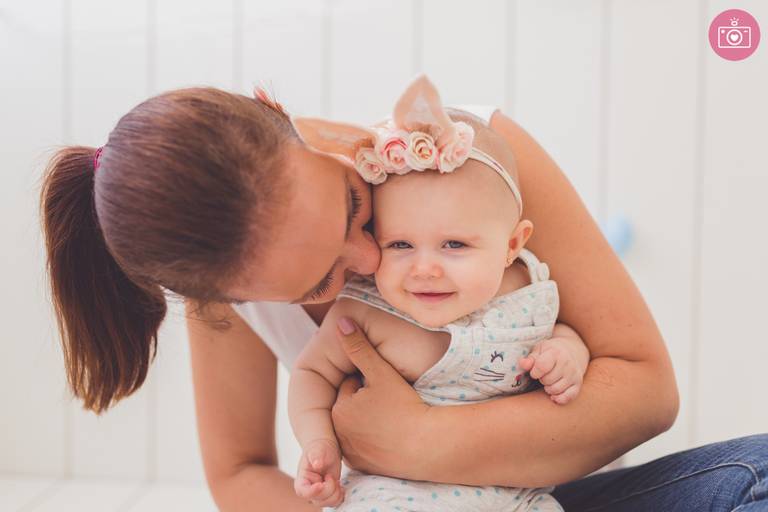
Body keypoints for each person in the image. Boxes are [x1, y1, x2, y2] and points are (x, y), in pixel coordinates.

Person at [38, 81, 767, 511]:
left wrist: (418, 440)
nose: (367, 261)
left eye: (356, 206)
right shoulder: (226, 294)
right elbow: (239, 477)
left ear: (282, 113)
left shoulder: (469, 156)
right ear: (220, 295)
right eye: (316, 284)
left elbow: (646, 393)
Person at [288, 76, 589, 511]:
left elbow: (561, 330)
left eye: (454, 245)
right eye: (400, 245)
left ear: (511, 246)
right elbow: (311, 375)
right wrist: (318, 442)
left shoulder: (529, 291)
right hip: (395, 494)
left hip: (516, 494)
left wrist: (568, 355)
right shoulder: (364, 311)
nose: (424, 269)